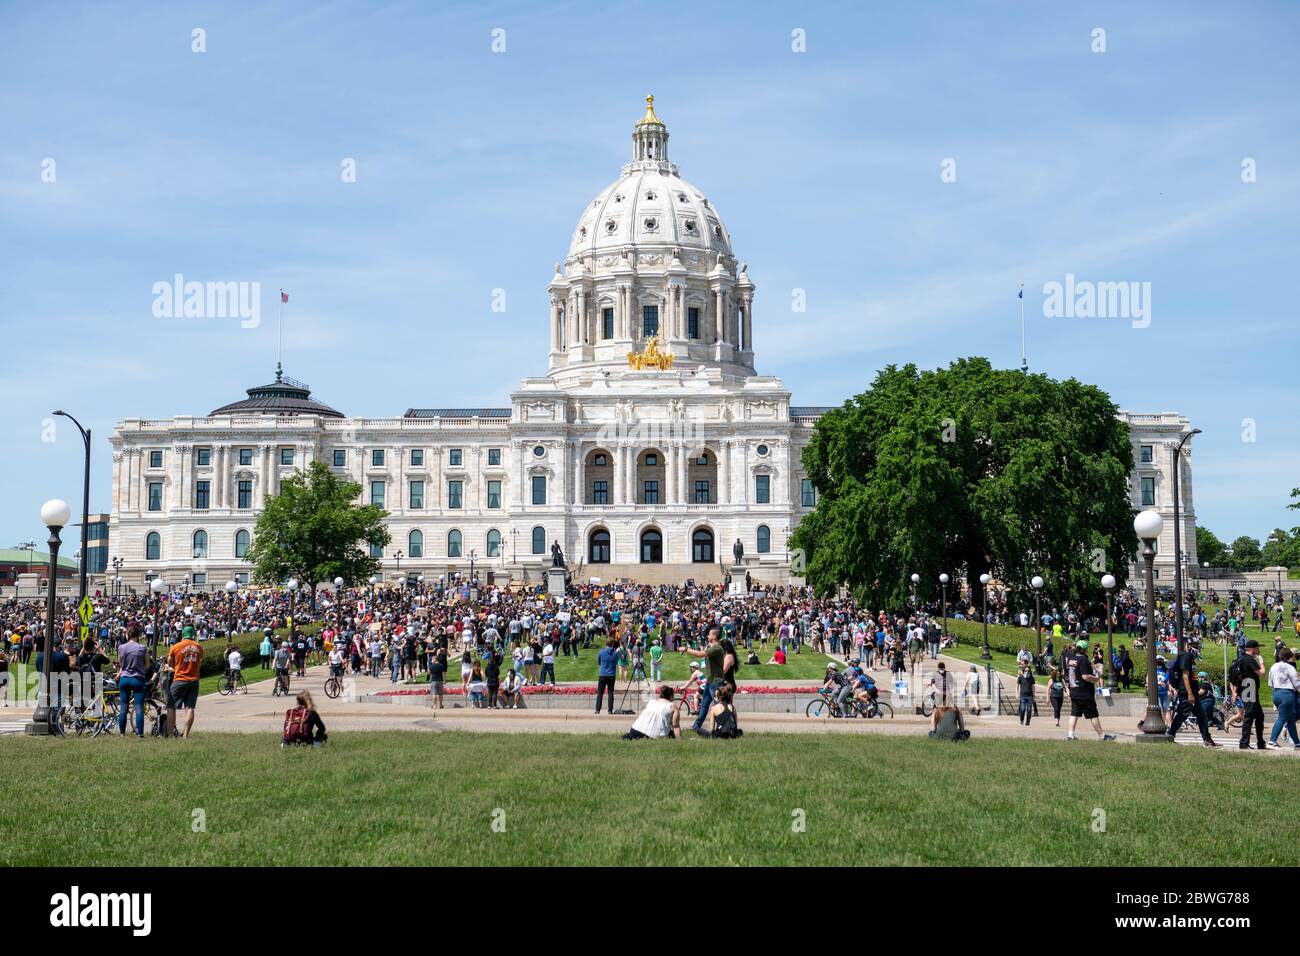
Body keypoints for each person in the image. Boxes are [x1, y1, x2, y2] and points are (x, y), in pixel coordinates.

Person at [1061, 638, 1115, 741]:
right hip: (1084, 692)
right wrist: (1096, 678)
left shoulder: (1072, 658)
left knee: (1074, 714)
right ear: (1084, 649)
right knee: (1093, 715)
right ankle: (1102, 736)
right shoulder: (1083, 660)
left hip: (1074, 690)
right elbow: (1085, 676)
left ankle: (1070, 735)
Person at [1165, 644, 1217, 747]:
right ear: (1186, 645)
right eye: (1193, 645)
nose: (1196, 647)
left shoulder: (1190, 657)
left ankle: (1207, 739)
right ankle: (1170, 735)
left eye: (1196, 645)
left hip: (1193, 692)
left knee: (1202, 716)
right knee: (1182, 715)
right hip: (1187, 692)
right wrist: (1190, 694)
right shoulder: (1185, 656)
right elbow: (1185, 676)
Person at [682, 628, 725, 733]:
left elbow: (699, 654)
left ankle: (722, 728)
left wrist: (686, 649)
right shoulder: (712, 647)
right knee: (705, 705)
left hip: (716, 682)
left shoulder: (717, 648)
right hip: (710, 681)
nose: (708, 636)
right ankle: (696, 726)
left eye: (710, 634)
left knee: (717, 705)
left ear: (714, 636)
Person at [165, 626, 203, 738]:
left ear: (182, 634)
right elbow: (199, 663)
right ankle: (185, 734)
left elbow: (170, 663)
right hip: (194, 680)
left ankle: (170, 734)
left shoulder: (176, 647)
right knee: (190, 707)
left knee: (171, 707)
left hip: (179, 679)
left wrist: (173, 667)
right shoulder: (199, 647)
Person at [1230, 639, 1265, 750]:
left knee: (1259, 716)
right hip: (1249, 691)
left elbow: (1235, 677)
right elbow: (1262, 673)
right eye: (1257, 647)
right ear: (1252, 649)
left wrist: (1235, 692)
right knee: (1249, 716)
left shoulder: (1240, 659)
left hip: (1245, 690)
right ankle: (1244, 743)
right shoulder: (1250, 660)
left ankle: (1260, 742)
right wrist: (1261, 662)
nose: (1258, 649)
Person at [115, 628, 150, 738]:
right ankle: (140, 733)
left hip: (124, 678)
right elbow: (148, 664)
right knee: (139, 707)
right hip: (138, 678)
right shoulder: (142, 648)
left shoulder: (121, 647)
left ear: (127, 635)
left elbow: (120, 664)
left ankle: (122, 733)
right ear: (137, 635)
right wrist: (142, 670)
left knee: (123, 707)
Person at [1266, 646, 1300, 749]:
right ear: (1289, 656)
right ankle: (1272, 741)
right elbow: (1296, 683)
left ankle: (1297, 743)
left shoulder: (1274, 666)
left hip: (1276, 693)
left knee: (1291, 718)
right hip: (1287, 694)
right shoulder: (1290, 667)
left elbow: (1270, 683)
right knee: (1282, 718)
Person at [595, 638, 619, 715]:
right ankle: (610, 710)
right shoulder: (615, 653)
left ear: (606, 644)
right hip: (611, 674)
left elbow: (598, 662)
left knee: (600, 693)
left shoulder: (601, 652)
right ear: (612, 644)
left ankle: (597, 709)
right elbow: (616, 662)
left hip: (603, 674)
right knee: (610, 692)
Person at [1016, 659, 1035, 726]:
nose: (1026, 671)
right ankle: (1021, 720)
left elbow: (1033, 687)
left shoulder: (1031, 678)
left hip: (1029, 696)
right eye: (1025, 670)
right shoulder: (1021, 677)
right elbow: (1017, 685)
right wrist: (1017, 693)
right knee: (1022, 709)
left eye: (1027, 670)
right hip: (1023, 695)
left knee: (1029, 710)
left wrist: (1034, 695)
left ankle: (1028, 721)